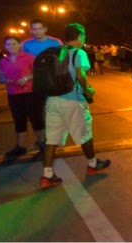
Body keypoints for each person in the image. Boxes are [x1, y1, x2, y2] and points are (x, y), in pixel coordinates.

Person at [40, 23, 110, 189]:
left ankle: (47, 175)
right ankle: (93, 164)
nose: (84, 39)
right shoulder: (78, 53)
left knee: (51, 139)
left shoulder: (55, 53)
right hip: (72, 100)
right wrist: (88, 90)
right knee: (84, 134)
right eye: (83, 36)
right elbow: (80, 76)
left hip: (52, 100)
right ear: (79, 36)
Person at [0, 36, 44, 158]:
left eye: (14, 44)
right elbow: (1, 77)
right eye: (8, 45)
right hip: (13, 94)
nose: (11, 47)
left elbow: (38, 72)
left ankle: (42, 144)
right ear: (4, 47)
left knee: (36, 119)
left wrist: (26, 78)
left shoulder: (28, 57)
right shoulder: (4, 61)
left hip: (30, 93)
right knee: (19, 120)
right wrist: (8, 80)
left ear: (19, 45)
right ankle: (20, 146)